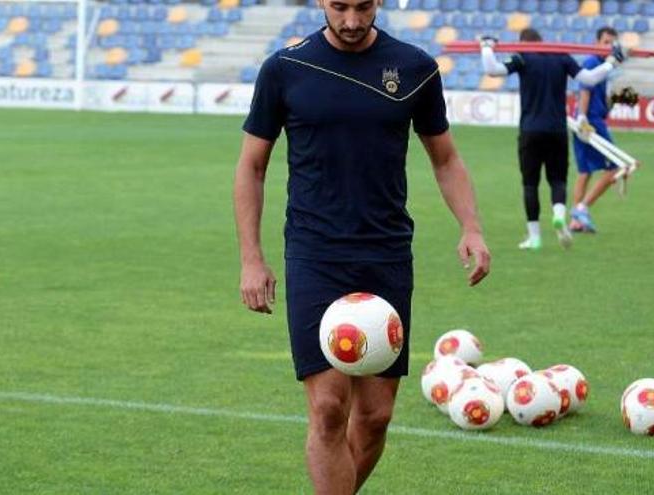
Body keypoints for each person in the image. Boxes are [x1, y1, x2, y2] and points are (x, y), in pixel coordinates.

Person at [233, 1, 491, 493]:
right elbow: (251, 167)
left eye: (364, 6)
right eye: (339, 7)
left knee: (374, 416)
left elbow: (446, 158)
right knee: (330, 409)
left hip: (387, 255)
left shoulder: (415, 68)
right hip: (315, 255)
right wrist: (252, 258)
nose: (352, 21)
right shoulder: (285, 69)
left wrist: (471, 227)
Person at [479, 29, 624, 250]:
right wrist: (612, 62)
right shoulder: (561, 56)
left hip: (530, 130)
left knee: (530, 184)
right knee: (558, 180)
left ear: (524, 43)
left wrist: (487, 46)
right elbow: (589, 78)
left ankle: (534, 237)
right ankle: (558, 215)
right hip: (557, 130)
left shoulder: (522, 57)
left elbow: (491, 69)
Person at [570, 27, 628, 233]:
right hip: (590, 122)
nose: (608, 46)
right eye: (605, 42)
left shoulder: (604, 65)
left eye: (611, 43)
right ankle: (582, 209)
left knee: (584, 171)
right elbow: (585, 91)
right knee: (616, 167)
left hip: (590, 119)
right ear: (596, 42)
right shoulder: (592, 62)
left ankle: (576, 220)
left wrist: (609, 103)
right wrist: (583, 118)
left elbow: (599, 95)